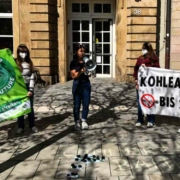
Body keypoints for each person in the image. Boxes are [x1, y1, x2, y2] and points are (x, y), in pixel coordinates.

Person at [133, 42, 160, 127]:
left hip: (151, 86)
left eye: (144, 48)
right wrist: (136, 80)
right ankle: (140, 120)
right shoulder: (140, 59)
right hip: (141, 85)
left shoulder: (154, 59)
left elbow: (158, 70)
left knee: (150, 102)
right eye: (142, 48)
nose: (143, 50)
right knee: (140, 102)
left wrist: (148, 68)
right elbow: (136, 70)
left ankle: (151, 120)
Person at [15, 44, 38, 134]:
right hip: (19, 88)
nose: (23, 54)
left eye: (24, 52)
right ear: (18, 52)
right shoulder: (15, 63)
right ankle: (20, 126)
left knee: (30, 108)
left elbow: (32, 76)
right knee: (20, 108)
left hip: (28, 86)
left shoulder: (29, 63)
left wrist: (31, 90)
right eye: (21, 52)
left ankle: (32, 125)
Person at [70, 44, 91, 130]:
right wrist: (81, 71)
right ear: (76, 52)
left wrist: (89, 72)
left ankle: (84, 120)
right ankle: (77, 122)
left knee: (86, 103)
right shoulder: (73, 63)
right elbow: (73, 76)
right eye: (80, 51)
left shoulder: (87, 62)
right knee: (77, 105)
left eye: (83, 51)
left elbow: (90, 70)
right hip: (77, 84)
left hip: (86, 84)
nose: (82, 53)